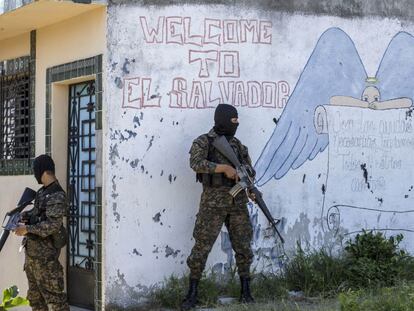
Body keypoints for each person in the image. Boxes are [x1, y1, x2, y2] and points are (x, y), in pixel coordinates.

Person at [181, 104, 255, 310]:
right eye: (233, 121)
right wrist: (223, 168)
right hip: (213, 204)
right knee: (202, 246)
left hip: (238, 201)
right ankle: (192, 294)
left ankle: (246, 292)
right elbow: (195, 163)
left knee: (243, 245)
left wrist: (246, 178)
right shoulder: (204, 141)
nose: (237, 124)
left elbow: (250, 169)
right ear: (222, 120)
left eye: (238, 121)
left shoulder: (238, 145)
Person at [14, 154, 69, 311]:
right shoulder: (41, 192)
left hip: (46, 260)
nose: (34, 174)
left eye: (35, 170)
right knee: (36, 301)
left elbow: (52, 225)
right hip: (32, 258)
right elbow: (37, 214)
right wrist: (24, 216)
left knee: (56, 302)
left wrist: (27, 229)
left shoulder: (57, 194)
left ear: (43, 171)